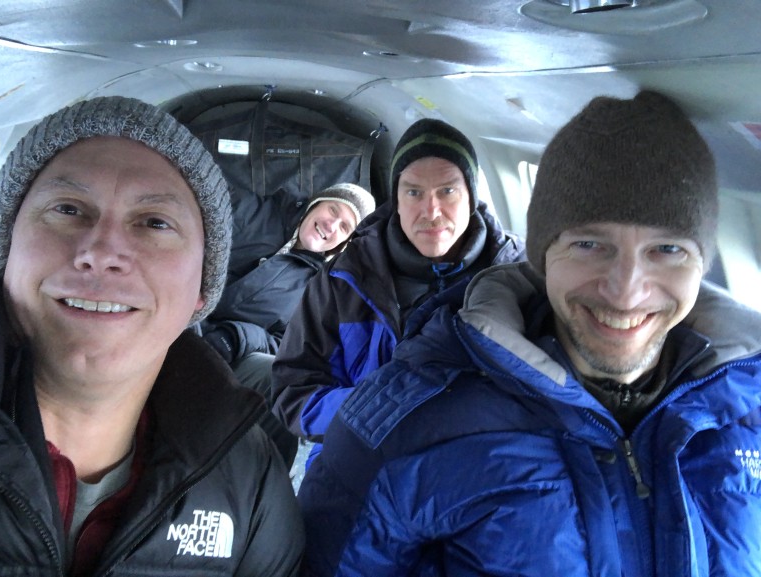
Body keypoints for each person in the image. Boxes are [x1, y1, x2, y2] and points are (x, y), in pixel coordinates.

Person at [297, 90, 761, 576]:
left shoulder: (745, 405)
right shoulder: (402, 419)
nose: (625, 292)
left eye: (667, 249)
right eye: (589, 244)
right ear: (543, 256)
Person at [0, 96, 303, 575]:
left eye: (155, 222)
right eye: (69, 209)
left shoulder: (251, 479)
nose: (101, 252)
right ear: (6, 250)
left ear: (202, 289)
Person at [271, 118, 524, 463]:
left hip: (481, 464)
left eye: (447, 191)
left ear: (472, 196)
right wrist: (383, 410)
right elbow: (293, 394)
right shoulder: (343, 279)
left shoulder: (518, 275)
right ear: (397, 201)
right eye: (414, 192)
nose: (431, 211)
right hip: (357, 461)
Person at [200, 183, 375, 469]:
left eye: (344, 227)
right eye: (333, 210)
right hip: (180, 313)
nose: (331, 226)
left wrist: (236, 336)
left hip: (231, 354)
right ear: (316, 202)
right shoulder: (257, 213)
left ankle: (263, 487)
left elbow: (287, 346)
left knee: (283, 384)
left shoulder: (322, 290)